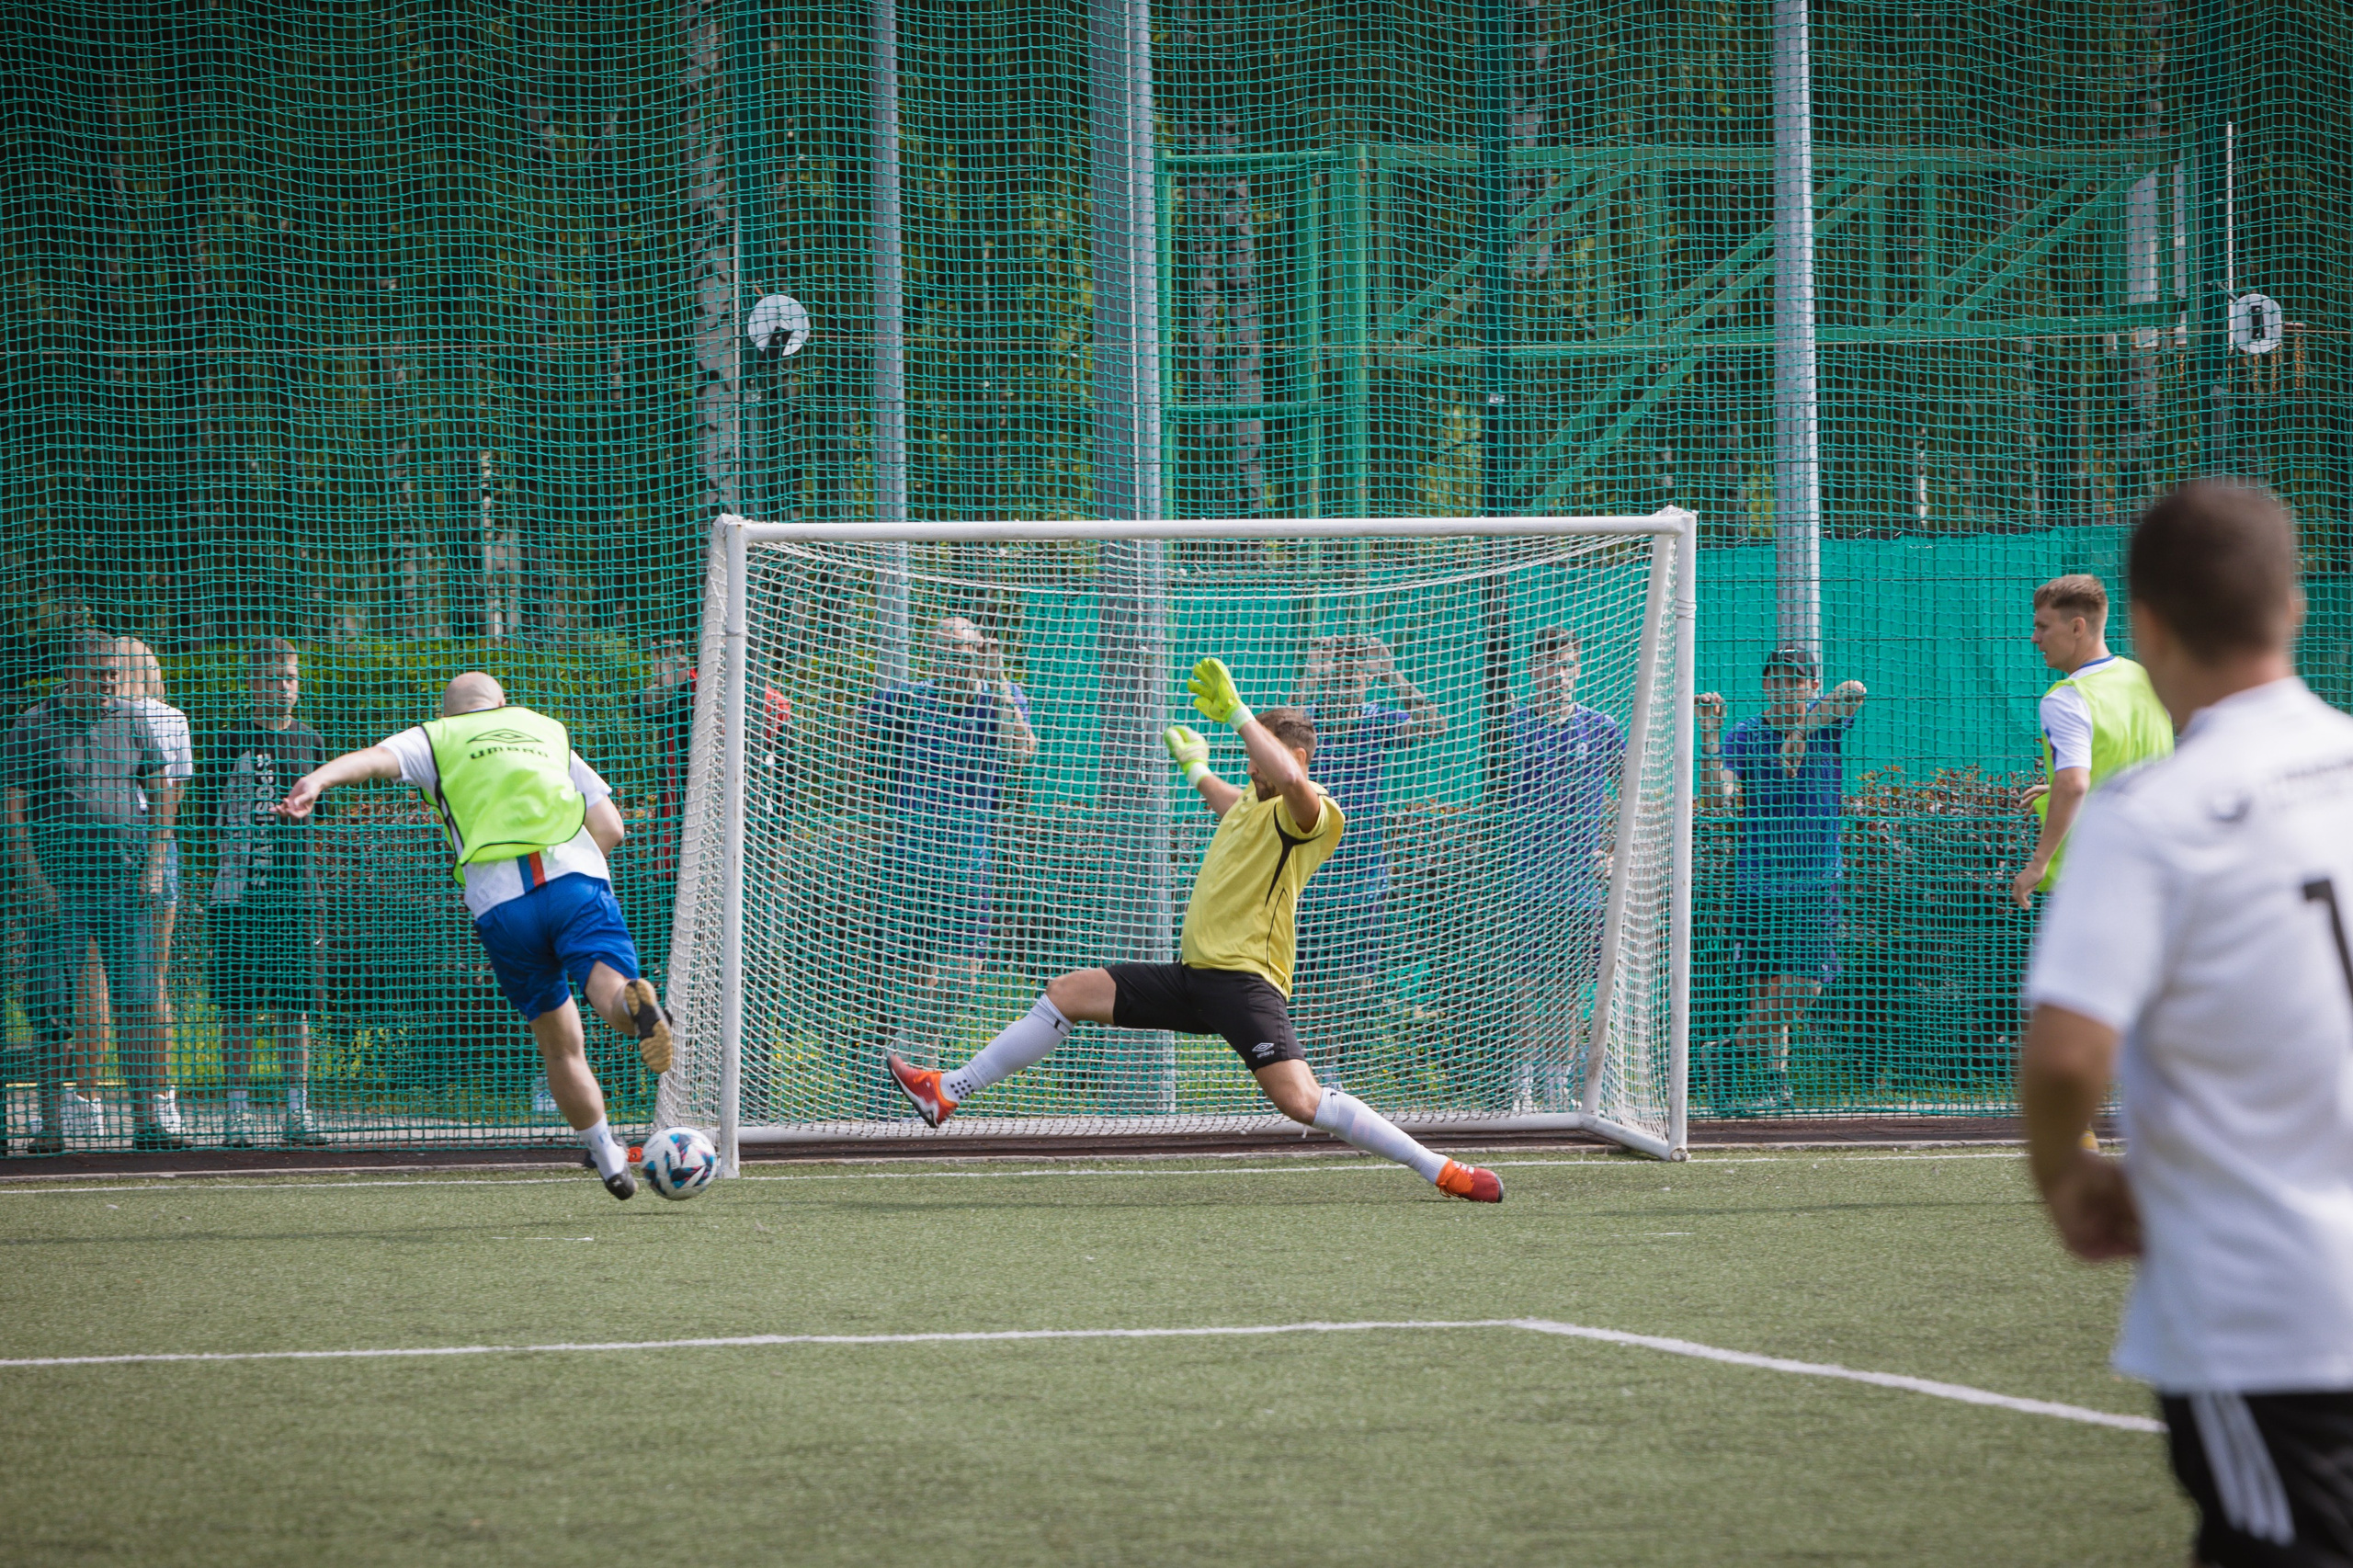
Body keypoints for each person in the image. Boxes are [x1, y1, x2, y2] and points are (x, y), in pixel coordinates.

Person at [2019, 479, 2353, 1566]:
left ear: (2146, 624)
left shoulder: (2154, 816)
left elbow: (2068, 1052)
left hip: (2272, 1301)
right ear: (2291, 607)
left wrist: (2067, 1176)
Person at [886, 655, 1504, 1203]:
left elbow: (1288, 782)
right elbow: (1223, 795)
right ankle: (949, 1090)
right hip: (1195, 977)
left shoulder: (1313, 811)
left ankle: (1442, 1169)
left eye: (1260, 753)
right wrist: (1195, 766)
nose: (1251, 766)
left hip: (1244, 983)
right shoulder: (1249, 804)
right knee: (1067, 992)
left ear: (1297, 757)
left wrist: (1236, 711)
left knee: (1303, 1102)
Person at [278, 672, 671, 1199]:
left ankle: (609, 1160)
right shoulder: (545, 729)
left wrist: (316, 781)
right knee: (609, 985)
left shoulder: (435, 738)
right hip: (574, 879)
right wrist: (579, 871)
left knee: (560, 1046)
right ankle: (633, 1007)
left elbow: (371, 759)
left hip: (502, 904)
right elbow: (612, 827)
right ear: (502, 703)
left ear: (448, 711)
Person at [4, 635, 180, 1152]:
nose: (109, 681)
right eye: (99, 672)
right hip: (58, 893)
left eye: (113, 673)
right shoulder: (33, 725)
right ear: (69, 672)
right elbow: (12, 811)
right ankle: (51, 1126)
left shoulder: (132, 719)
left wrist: (154, 863)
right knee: (53, 1007)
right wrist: (33, 881)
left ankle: (149, 1123)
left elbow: (164, 788)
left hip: (126, 889)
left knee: (140, 1002)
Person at [858, 616, 1036, 1071]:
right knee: (906, 984)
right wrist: (875, 815)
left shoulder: (1003, 698)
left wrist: (995, 679)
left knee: (960, 983)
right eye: (942, 653)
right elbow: (860, 753)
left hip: (968, 864)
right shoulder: (903, 700)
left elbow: (1022, 752)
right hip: (908, 863)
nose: (953, 662)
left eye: (963, 652)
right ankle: (907, 1082)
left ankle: (911, 1056)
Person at [1697, 648, 1868, 1110]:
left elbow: (1855, 691)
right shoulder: (1746, 734)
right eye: (1776, 680)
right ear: (1765, 685)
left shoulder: (1827, 722)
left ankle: (1727, 1054)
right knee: (1766, 985)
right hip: (1758, 881)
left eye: (1796, 680)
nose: (1785, 688)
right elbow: (1718, 800)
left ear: (1813, 685)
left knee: (1805, 981)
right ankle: (1774, 1083)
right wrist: (1710, 737)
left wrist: (1798, 733)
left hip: (1816, 879)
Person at [1290, 632, 1445, 1081]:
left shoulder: (1377, 720)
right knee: (1304, 984)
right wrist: (1309, 675)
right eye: (1341, 670)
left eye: (1357, 671)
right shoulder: (1308, 725)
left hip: (1364, 877)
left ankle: (1326, 1071)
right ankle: (1294, 1072)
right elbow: (1274, 739)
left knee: (1352, 984)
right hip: (1309, 876)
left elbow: (1435, 725)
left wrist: (1392, 674)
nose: (1349, 679)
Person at [206, 638, 331, 1146]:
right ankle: (237, 1116)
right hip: (238, 896)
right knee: (238, 1004)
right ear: (250, 682)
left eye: (290, 678)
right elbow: (208, 819)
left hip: (297, 897)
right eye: (270, 677)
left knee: (293, 1006)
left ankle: (296, 1114)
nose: (281, 688)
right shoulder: (228, 739)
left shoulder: (311, 741)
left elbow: (320, 823)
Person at [1505, 627, 1624, 1110]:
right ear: (1532, 670)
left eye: (1567, 665)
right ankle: (1521, 1087)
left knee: (1564, 991)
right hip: (1522, 881)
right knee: (1521, 987)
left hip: (1578, 887)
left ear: (1579, 669)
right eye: (1549, 665)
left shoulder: (1601, 728)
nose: (1558, 675)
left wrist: (1613, 851)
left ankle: (1557, 1085)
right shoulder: (1510, 725)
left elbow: (1627, 794)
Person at [2009, 574, 2174, 908]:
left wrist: (2038, 864)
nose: (2034, 638)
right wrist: (2060, 787)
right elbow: (2140, 762)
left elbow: (2074, 784)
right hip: (2157, 873)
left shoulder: (2066, 698)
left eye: (2043, 627)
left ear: (2077, 627)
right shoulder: (2143, 677)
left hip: (2091, 880)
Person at [103, 636, 194, 1141]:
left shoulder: (130, 717)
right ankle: (160, 1104)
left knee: (103, 979)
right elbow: (173, 795)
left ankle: (89, 1103)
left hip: (125, 849)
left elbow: (170, 791)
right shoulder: (168, 717)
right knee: (148, 979)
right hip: (148, 850)